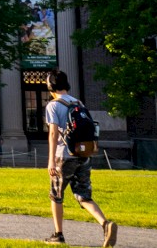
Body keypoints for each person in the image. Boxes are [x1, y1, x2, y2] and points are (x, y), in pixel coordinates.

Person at [43, 70, 116, 246]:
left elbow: (53, 133)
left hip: (64, 156)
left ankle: (58, 235)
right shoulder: (78, 103)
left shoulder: (53, 105)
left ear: (50, 86)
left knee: (56, 195)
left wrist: (51, 159)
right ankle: (105, 224)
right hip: (83, 154)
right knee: (83, 195)